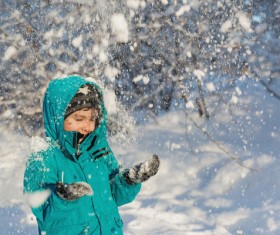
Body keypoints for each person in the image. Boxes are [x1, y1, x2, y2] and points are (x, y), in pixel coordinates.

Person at [23, 75, 160, 235]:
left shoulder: (99, 151)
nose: (87, 125)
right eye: (79, 118)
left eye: (92, 118)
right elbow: (39, 205)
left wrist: (129, 179)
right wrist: (63, 196)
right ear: (58, 118)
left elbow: (113, 195)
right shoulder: (44, 156)